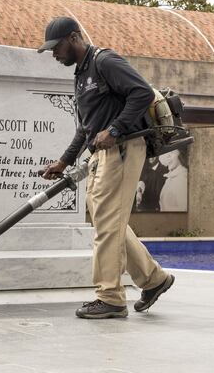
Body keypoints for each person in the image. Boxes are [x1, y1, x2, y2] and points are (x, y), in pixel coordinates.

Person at [39, 17, 174, 319]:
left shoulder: (105, 61)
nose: (54, 54)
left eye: (56, 47)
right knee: (107, 220)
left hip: (124, 147)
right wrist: (64, 161)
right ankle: (154, 279)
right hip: (104, 153)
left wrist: (114, 130)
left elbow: (141, 92)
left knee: (107, 223)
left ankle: (110, 297)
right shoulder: (81, 74)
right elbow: (85, 129)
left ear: (74, 38)